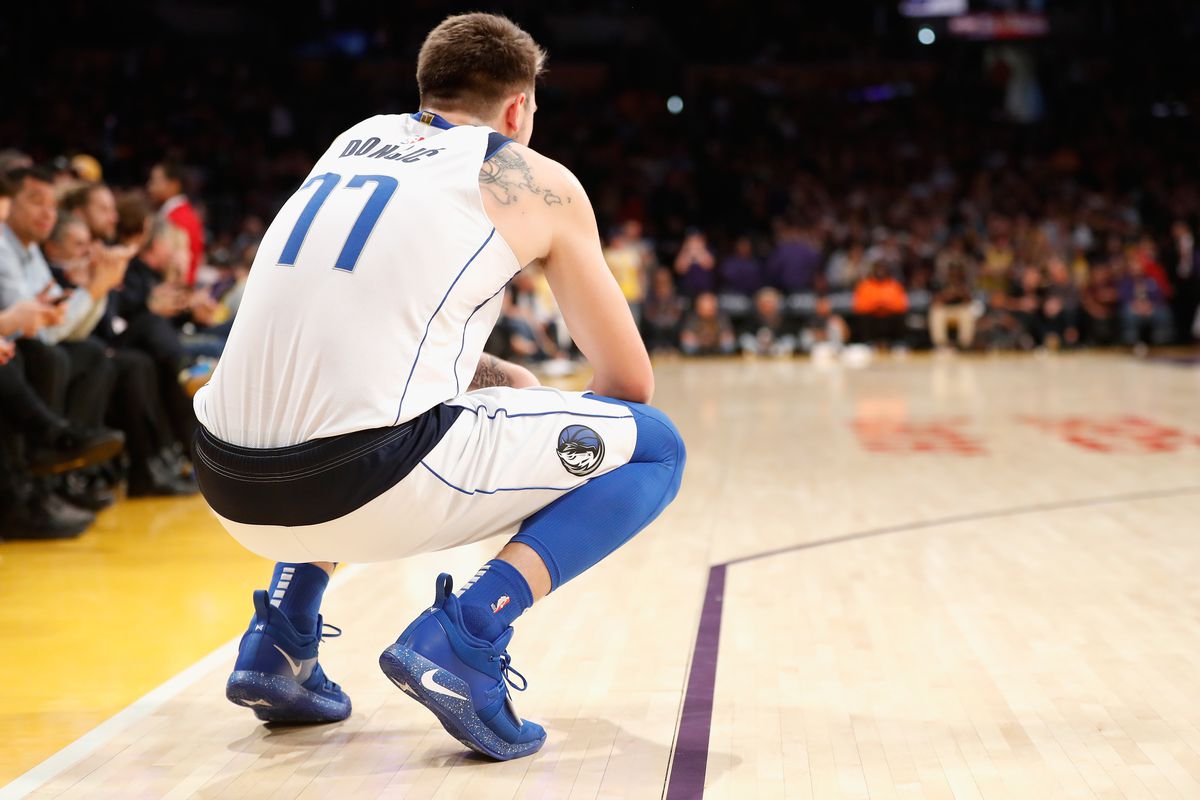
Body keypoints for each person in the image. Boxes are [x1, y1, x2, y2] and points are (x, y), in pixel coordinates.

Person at [191, 13, 684, 762]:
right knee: (655, 449)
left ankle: (280, 639)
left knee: (351, 409)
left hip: (222, 480)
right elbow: (628, 382)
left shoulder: (351, 142)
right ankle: (469, 633)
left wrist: (498, 388)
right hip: (360, 481)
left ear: (427, 89)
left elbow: (348, 341)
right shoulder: (533, 180)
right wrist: (535, 432)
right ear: (518, 108)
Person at [147, 159, 205, 286]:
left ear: (174, 185)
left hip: (176, 286)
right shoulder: (183, 213)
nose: (150, 186)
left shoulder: (177, 218)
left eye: (155, 181)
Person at [851, 261, 909, 348]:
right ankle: (867, 343)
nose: (880, 272)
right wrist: (876, 306)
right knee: (863, 317)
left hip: (889, 318)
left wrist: (886, 306)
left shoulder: (895, 286)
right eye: (878, 269)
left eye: (883, 269)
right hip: (872, 319)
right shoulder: (865, 286)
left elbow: (902, 306)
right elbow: (858, 306)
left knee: (900, 316)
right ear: (873, 270)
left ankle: (898, 343)